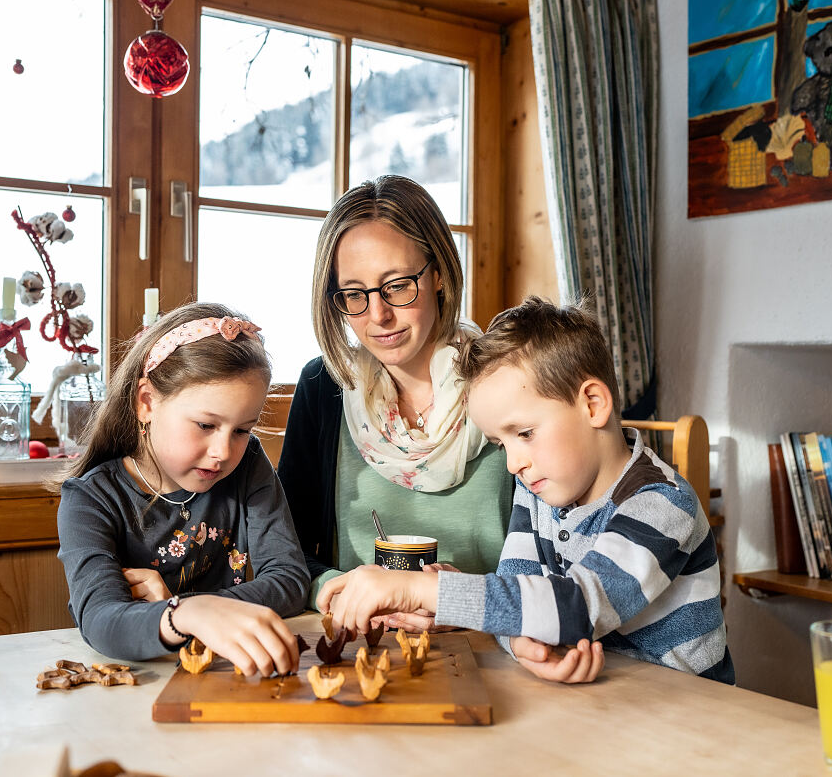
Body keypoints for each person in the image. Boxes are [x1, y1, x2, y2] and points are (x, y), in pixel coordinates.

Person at [318, 298, 735, 685]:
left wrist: (416, 588)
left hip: (688, 713)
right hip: (611, 705)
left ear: (592, 404)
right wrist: (521, 640)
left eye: (525, 433)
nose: (513, 462)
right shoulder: (537, 492)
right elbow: (520, 591)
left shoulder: (661, 503)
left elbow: (575, 607)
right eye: (502, 444)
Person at [277, 175, 514, 632]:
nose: (378, 315)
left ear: (440, 273)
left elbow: (552, 562)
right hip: (356, 640)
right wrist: (336, 588)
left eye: (398, 285)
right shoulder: (323, 387)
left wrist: (461, 599)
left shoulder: (507, 382)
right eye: (354, 294)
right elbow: (285, 552)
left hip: (495, 644)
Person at [56, 302, 309, 675]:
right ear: (147, 402)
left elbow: (288, 578)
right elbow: (101, 620)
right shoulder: (90, 500)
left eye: (242, 430)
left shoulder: (249, 464)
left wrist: (186, 606)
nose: (224, 452)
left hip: (222, 676)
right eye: (206, 425)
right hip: (136, 687)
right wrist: (186, 614)